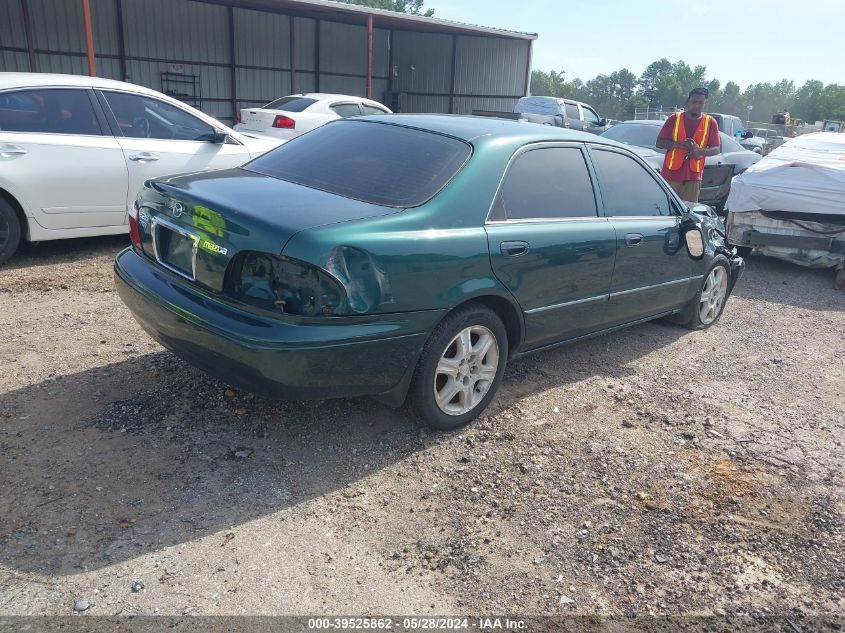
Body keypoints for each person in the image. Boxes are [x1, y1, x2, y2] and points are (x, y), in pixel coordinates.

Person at [656, 87, 720, 202]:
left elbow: (716, 149)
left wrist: (700, 151)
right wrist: (679, 144)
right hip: (671, 175)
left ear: (705, 103)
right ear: (687, 102)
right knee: (667, 210)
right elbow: (659, 143)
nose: (697, 105)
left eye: (701, 103)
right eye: (694, 102)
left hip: (693, 178)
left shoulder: (710, 122)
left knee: (688, 213)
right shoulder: (674, 118)